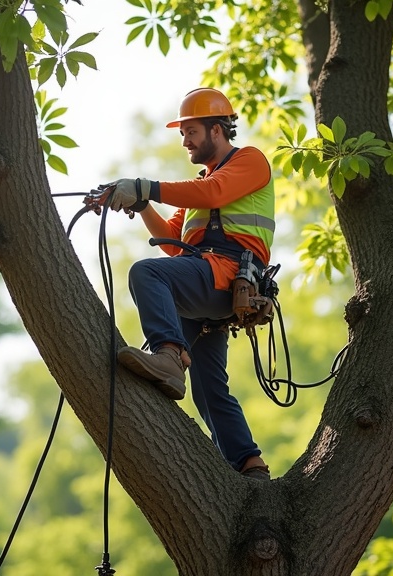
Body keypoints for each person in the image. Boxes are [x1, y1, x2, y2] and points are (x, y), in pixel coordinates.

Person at [101, 88, 275, 480]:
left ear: (217, 130)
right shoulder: (202, 184)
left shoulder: (248, 161)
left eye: (191, 131)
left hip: (229, 274)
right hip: (205, 281)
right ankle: (250, 465)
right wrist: (142, 205)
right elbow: (171, 242)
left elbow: (215, 192)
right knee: (209, 389)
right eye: (183, 134)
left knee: (146, 273)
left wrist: (144, 186)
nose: (185, 141)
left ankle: (168, 354)